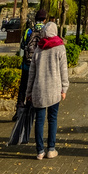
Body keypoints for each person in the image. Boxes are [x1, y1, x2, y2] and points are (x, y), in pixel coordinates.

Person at [26, 20, 68, 160]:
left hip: (39, 89)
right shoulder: (60, 48)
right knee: (52, 119)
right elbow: (64, 70)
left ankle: (39, 151)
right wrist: (64, 88)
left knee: (39, 120)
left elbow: (32, 72)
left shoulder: (39, 48)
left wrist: (29, 92)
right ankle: (51, 148)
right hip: (54, 89)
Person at [14, 9, 47, 119]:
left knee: (23, 87)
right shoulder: (46, 31)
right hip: (39, 66)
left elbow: (23, 46)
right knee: (35, 87)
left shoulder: (29, 31)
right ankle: (31, 111)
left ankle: (19, 110)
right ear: (45, 19)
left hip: (26, 65)